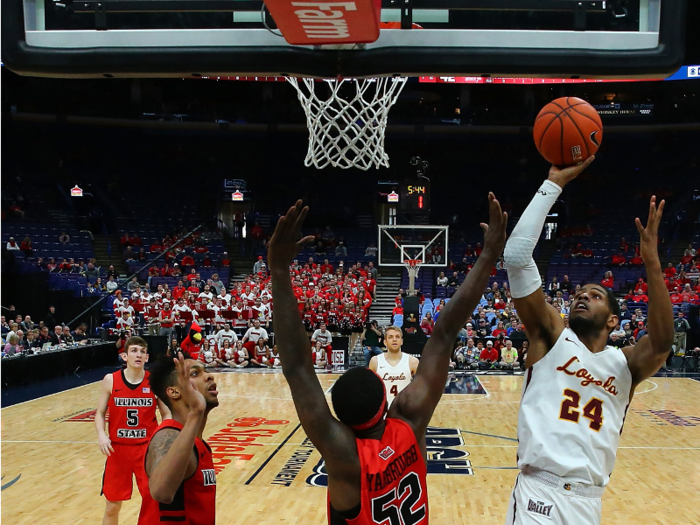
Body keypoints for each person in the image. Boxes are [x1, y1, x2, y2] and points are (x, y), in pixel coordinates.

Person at [267, 197, 506, 525]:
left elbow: (296, 368)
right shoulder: (410, 420)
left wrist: (279, 271)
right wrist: (489, 255)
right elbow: (445, 332)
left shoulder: (344, 456)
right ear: (385, 396)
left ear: (340, 421)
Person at [503, 158, 674, 525]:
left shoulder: (624, 364)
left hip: (588, 501)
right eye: (580, 293)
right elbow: (517, 257)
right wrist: (552, 185)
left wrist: (652, 264)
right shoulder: (550, 337)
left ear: (614, 319)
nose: (582, 296)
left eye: (594, 295)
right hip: (539, 493)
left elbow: (661, 343)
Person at [95, 337, 171, 525]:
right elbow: (100, 413)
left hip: (146, 451)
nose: (138, 354)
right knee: (112, 506)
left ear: (147, 357)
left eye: (142, 351)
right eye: (134, 350)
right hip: (117, 451)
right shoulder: (110, 380)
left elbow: (166, 413)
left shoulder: (154, 382)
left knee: (152, 502)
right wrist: (101, 434)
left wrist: (163, 439)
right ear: (125, 356)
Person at [137, 352, 219, 525]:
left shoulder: (194, 440)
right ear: (174, 392)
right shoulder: (168, 435)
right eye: (195, 374)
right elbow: (161, 491)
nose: (209, 376)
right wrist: (196, 413)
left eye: (206, 371)